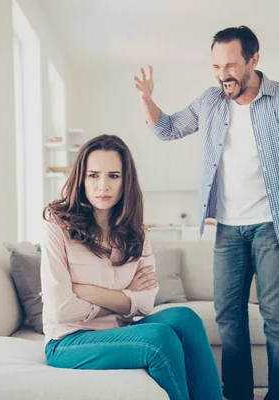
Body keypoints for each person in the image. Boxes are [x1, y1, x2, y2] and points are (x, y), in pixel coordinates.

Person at [134, 26, 279, 400]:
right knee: (228, 318)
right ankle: (238, 394)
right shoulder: (210, 101)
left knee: (278, 321)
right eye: (215, 66)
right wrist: (147, 100)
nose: (223, 74)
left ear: (254, 60)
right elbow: (170, 128)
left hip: (275, 226)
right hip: (227, 229)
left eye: (230, 65)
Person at [41, 134, 223, 400]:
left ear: (126, 180)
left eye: (113, 176)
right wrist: (124, 298)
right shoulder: (56, 225)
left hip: (118, 330)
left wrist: (89, 292)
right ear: (81, 178)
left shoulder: (136, 232)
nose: (103, 185)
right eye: (93, 175)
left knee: (186, 318)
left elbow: (147, 301)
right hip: (68, 340)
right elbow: (60, 310)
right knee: (160, 338)